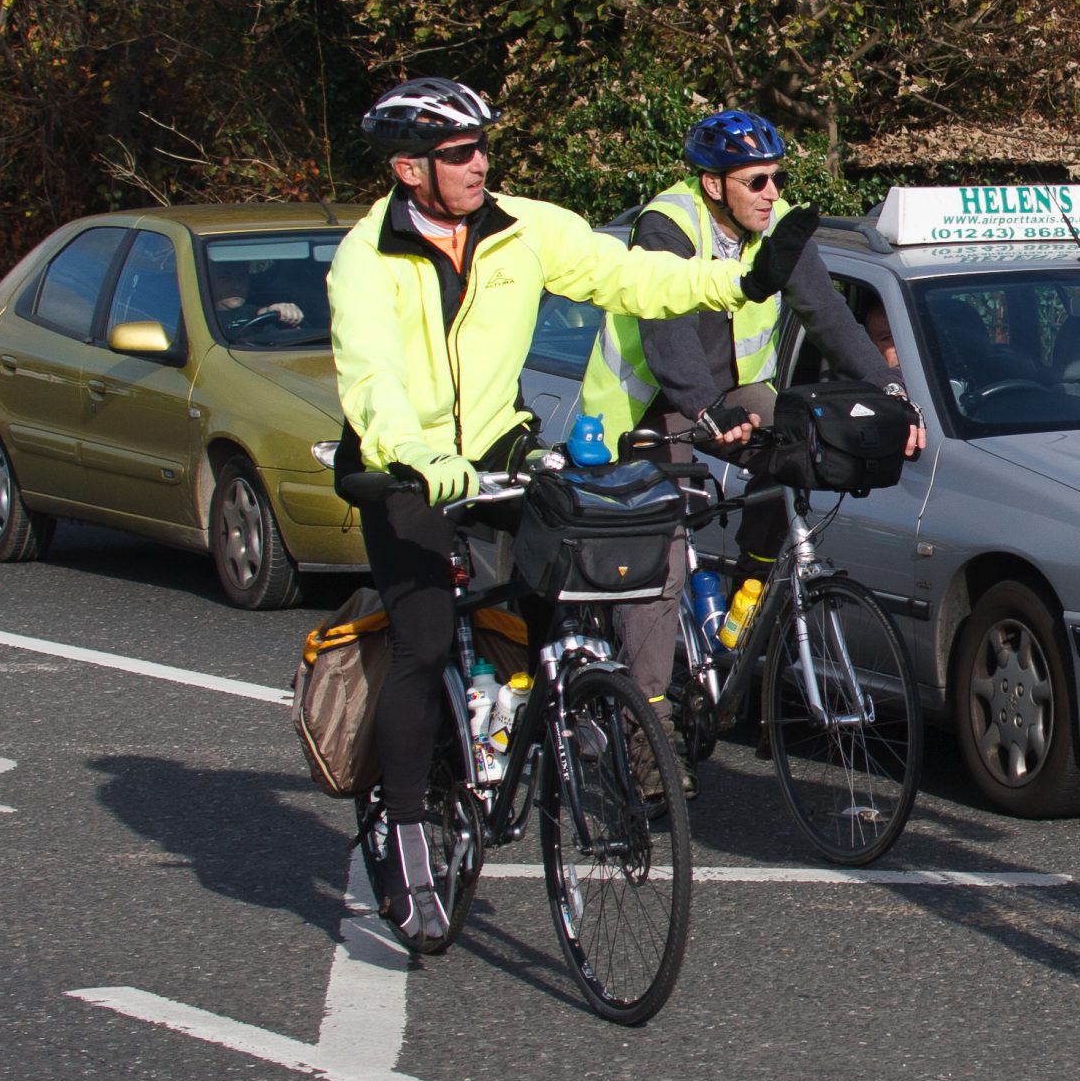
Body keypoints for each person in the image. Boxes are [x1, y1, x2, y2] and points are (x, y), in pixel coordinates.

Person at [328, 78, 819, 949]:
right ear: (410, 169)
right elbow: (372, 384)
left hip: (500, 447)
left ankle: (556, 717)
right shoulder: (366, 261)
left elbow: (629, 276)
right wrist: (423, 460)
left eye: (484, 147)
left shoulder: (526, 228)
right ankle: (406, 838)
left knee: (567, 587)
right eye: (458, 153)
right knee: (426, 640)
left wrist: (739, 276)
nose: (480, 163)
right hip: (406, 471)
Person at [579, 110, 925, 723]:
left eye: (775, 178)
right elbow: (667, 332)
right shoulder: (668, 225)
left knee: (806, 456)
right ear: (715, 185)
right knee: (663, 546)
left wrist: (890, 389)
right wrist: (705, 409)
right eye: (756, 182)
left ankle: (745, 605)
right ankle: (647, 721)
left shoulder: (776, 225)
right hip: (650, 404)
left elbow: (829, 315)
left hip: (735, 392)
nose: (772, 193)